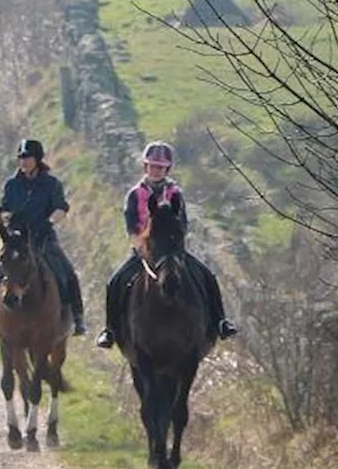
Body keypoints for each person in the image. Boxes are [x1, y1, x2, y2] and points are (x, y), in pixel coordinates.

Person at [95, 141, 239, 349]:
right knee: (114, 282)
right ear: (145, 167)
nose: (155, 170)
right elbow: (132, 227)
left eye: (160, 167)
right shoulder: (135, 195)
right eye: (152, 166)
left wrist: (175, 246)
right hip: (144, 252)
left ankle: (220, 321)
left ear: (167, 169)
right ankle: (110, 330)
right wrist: (143, 246)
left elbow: (183, 224)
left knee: (208, 276)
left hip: (173, 252)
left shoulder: (175, 194)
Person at [0, 139, 86, 339]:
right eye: (21, 158)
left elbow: (61, 208)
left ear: (37, 159)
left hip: (43, 239)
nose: (23, 162)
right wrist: (6, 218)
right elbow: (2, 210)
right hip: (16, 241)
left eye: (27, 158)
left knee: (66, 271)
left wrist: (48, 222)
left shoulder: (51, 184)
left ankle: (77, 317)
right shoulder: (11, 184)